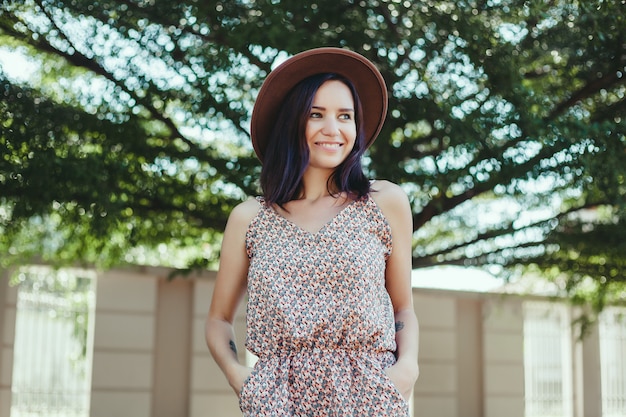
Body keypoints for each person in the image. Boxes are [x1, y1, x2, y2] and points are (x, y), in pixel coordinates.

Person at [206, 47, 419, 416]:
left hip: (370, 396)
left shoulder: (385, 202)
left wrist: (406, 369)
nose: (333, 129)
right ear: (293, 122)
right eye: (316, 114)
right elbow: (217, 320)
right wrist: (241, 379)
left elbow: (403, 308)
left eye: (345, 116)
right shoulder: (249, 218)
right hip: (277, 402)